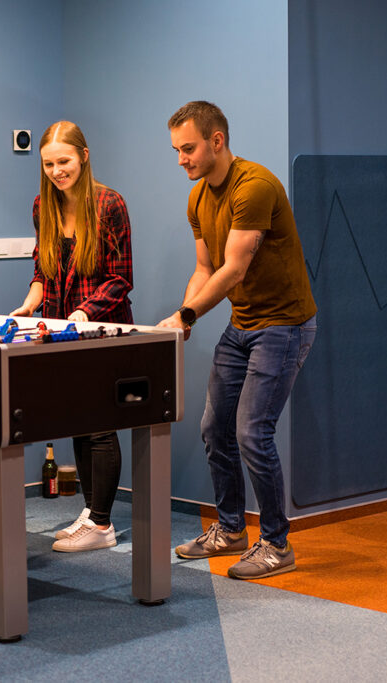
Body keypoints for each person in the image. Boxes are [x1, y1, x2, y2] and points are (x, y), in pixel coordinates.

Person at [160, 101, 317, 580]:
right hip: (244, 323)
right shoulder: (197, 198)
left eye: (188, 149)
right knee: (214, 428)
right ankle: (230, 529)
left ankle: (276, 543)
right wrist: (185, 320)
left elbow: (234, 268)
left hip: (284, 325)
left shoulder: (255, 187)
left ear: (217, 141)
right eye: (177, 150)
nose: (181, 159)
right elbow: (204, 270)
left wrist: (187, 313)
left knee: (252, 431)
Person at [11, 121, 133, 553]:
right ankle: (91, 510)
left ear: (83, 156)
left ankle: (102, 524)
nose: (57, 170)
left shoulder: (109, 203)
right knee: (79, 421)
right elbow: (43, 270)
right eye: (48, 164)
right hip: (59, 331)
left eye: (64, 161)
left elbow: (120, 280)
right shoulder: (41, 206)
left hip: (100, 329)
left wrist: (81, 313)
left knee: (100, 425)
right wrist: (31, 302)